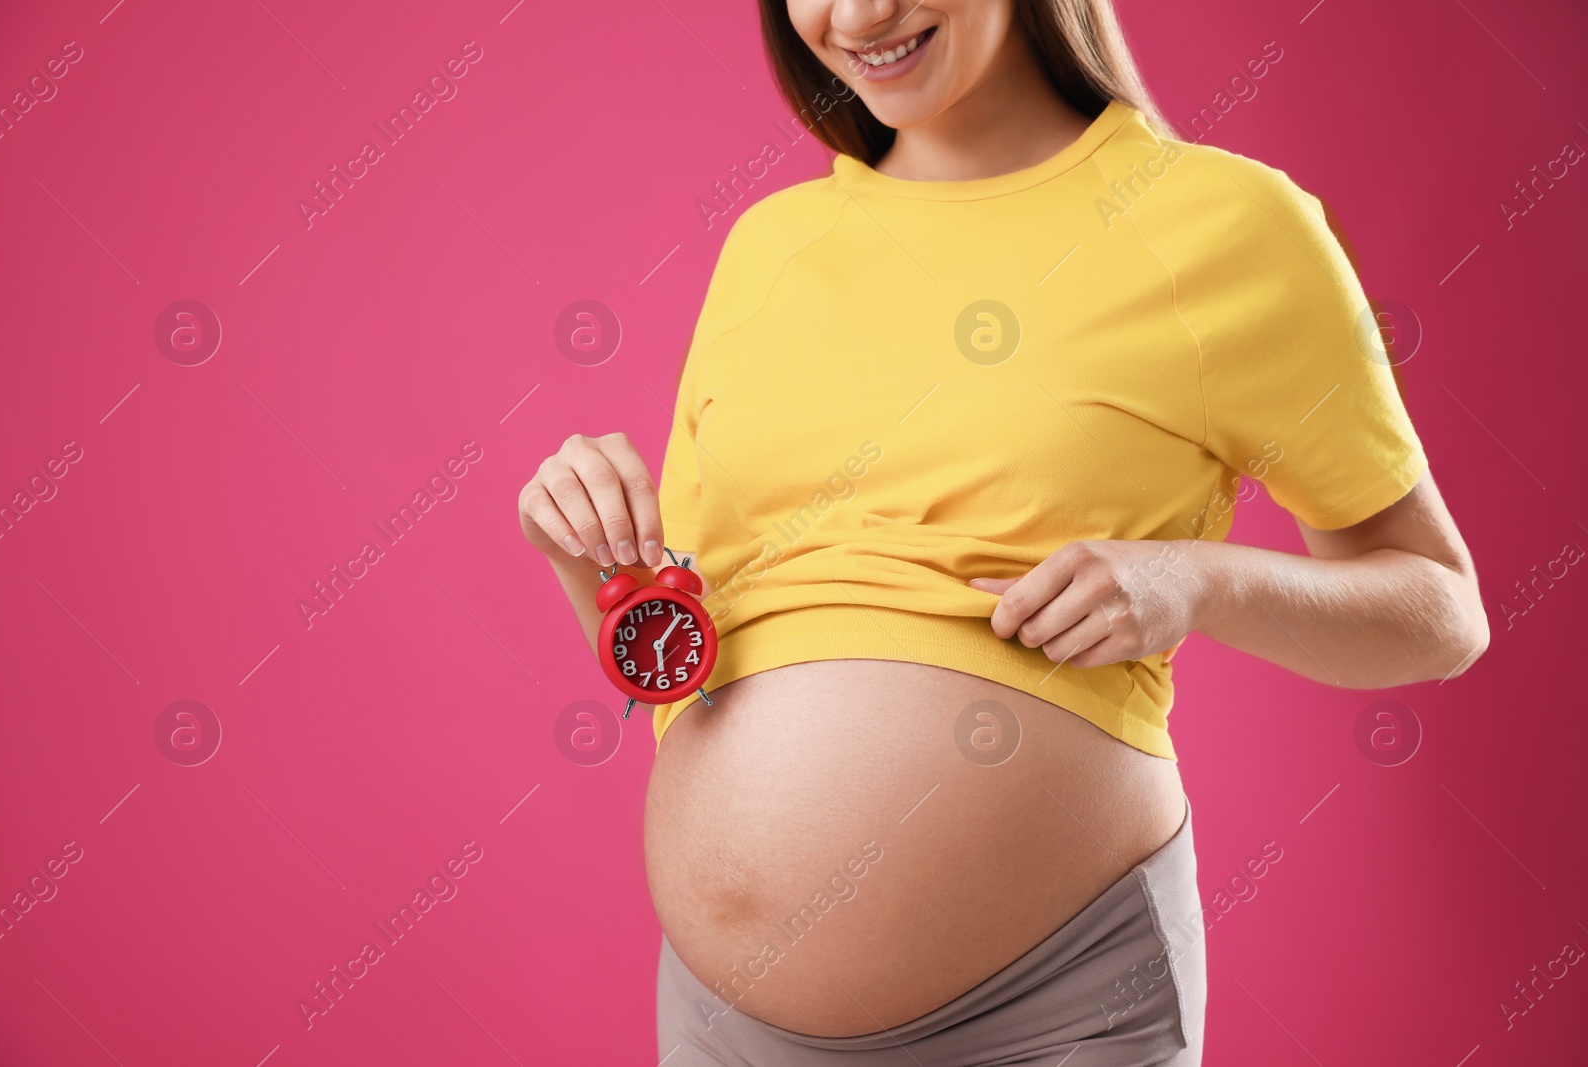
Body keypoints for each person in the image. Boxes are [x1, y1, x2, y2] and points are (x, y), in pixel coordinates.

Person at [518, 1, 1489, 1062]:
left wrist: (1196, 581)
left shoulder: (1226, 222)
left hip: (1051, 1010)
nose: (856, 16)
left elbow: (1438, 612)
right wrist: (595, 566)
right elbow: (694, 672)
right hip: (722, 1024)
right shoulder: (771, 247)